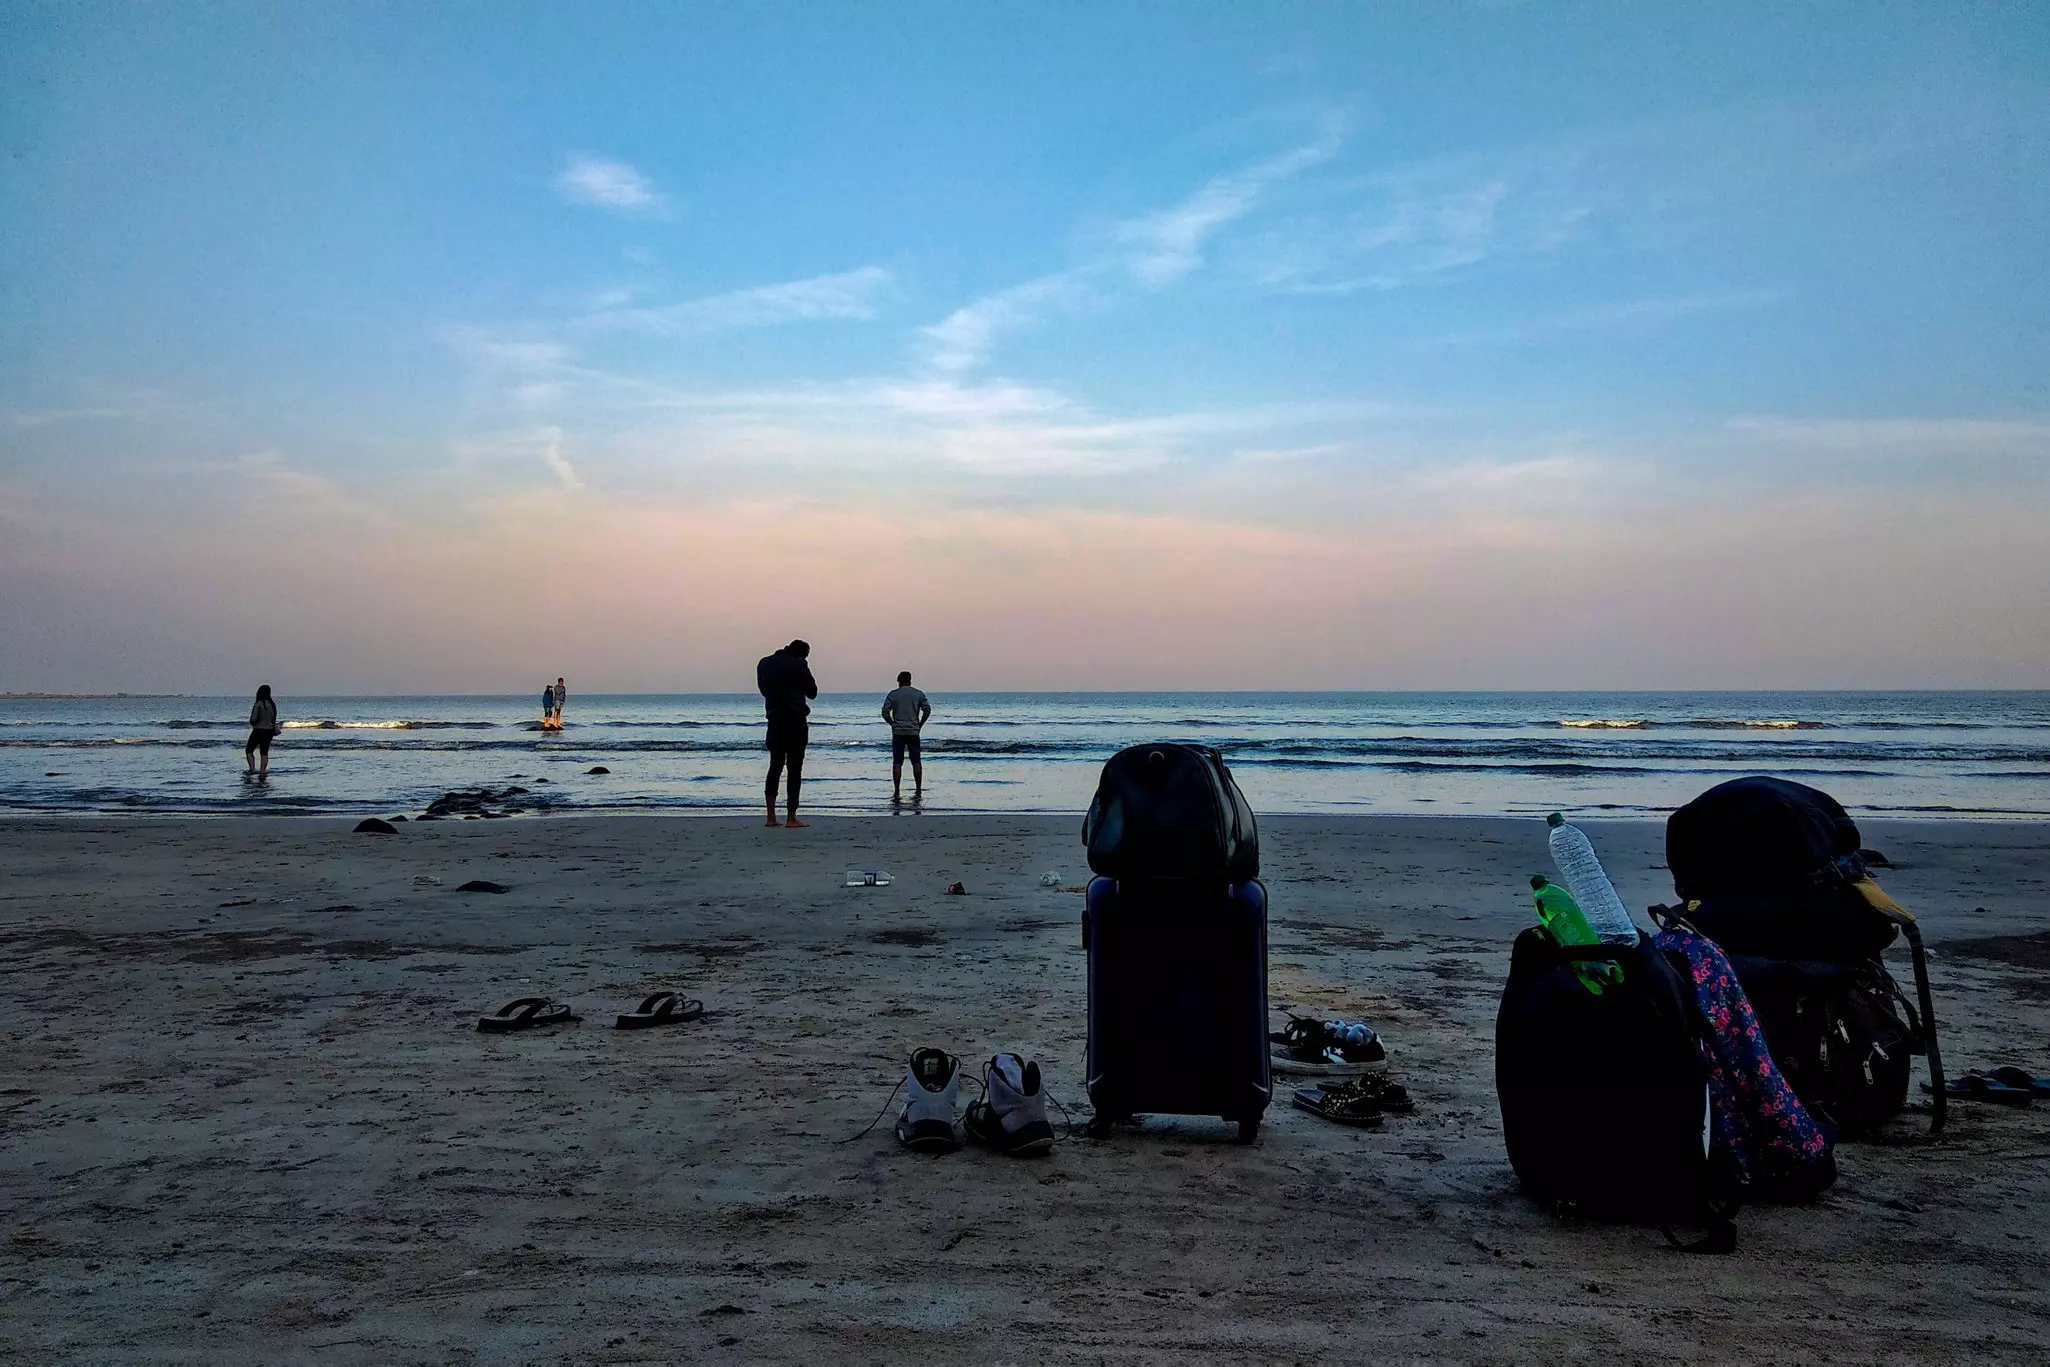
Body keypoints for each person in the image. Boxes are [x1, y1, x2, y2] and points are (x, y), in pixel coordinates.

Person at [756, 639, 818, 827]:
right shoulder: (799, 665)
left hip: (775, 719)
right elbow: (812, 692)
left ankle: (770, 816)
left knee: (775, 765)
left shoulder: (765, 663)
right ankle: (791, 817)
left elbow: (763, 690)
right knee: (794, 768)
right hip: (795, 720)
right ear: (802, 654)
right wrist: (803, 668)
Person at [881, 670, 931, 803]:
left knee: (897, 762)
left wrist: (892, 723)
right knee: (916, 761)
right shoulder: (918, 694)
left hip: (898, 732)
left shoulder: (893, 694)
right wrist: (920, 724)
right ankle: (918, 788)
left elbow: (885, 712)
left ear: (899, 681)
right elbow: (927, 709)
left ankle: (897, 790)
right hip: (913, 731)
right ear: (910, 680)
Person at [245, 684, 279, 777]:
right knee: (264, 752)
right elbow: (273, 718)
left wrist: (253, 724)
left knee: (249, 750)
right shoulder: (272, 705)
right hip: (269, 731)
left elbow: (253, 718)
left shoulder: (259, 704)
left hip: (258, 729)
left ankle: (252, 768)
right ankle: (262, 771)